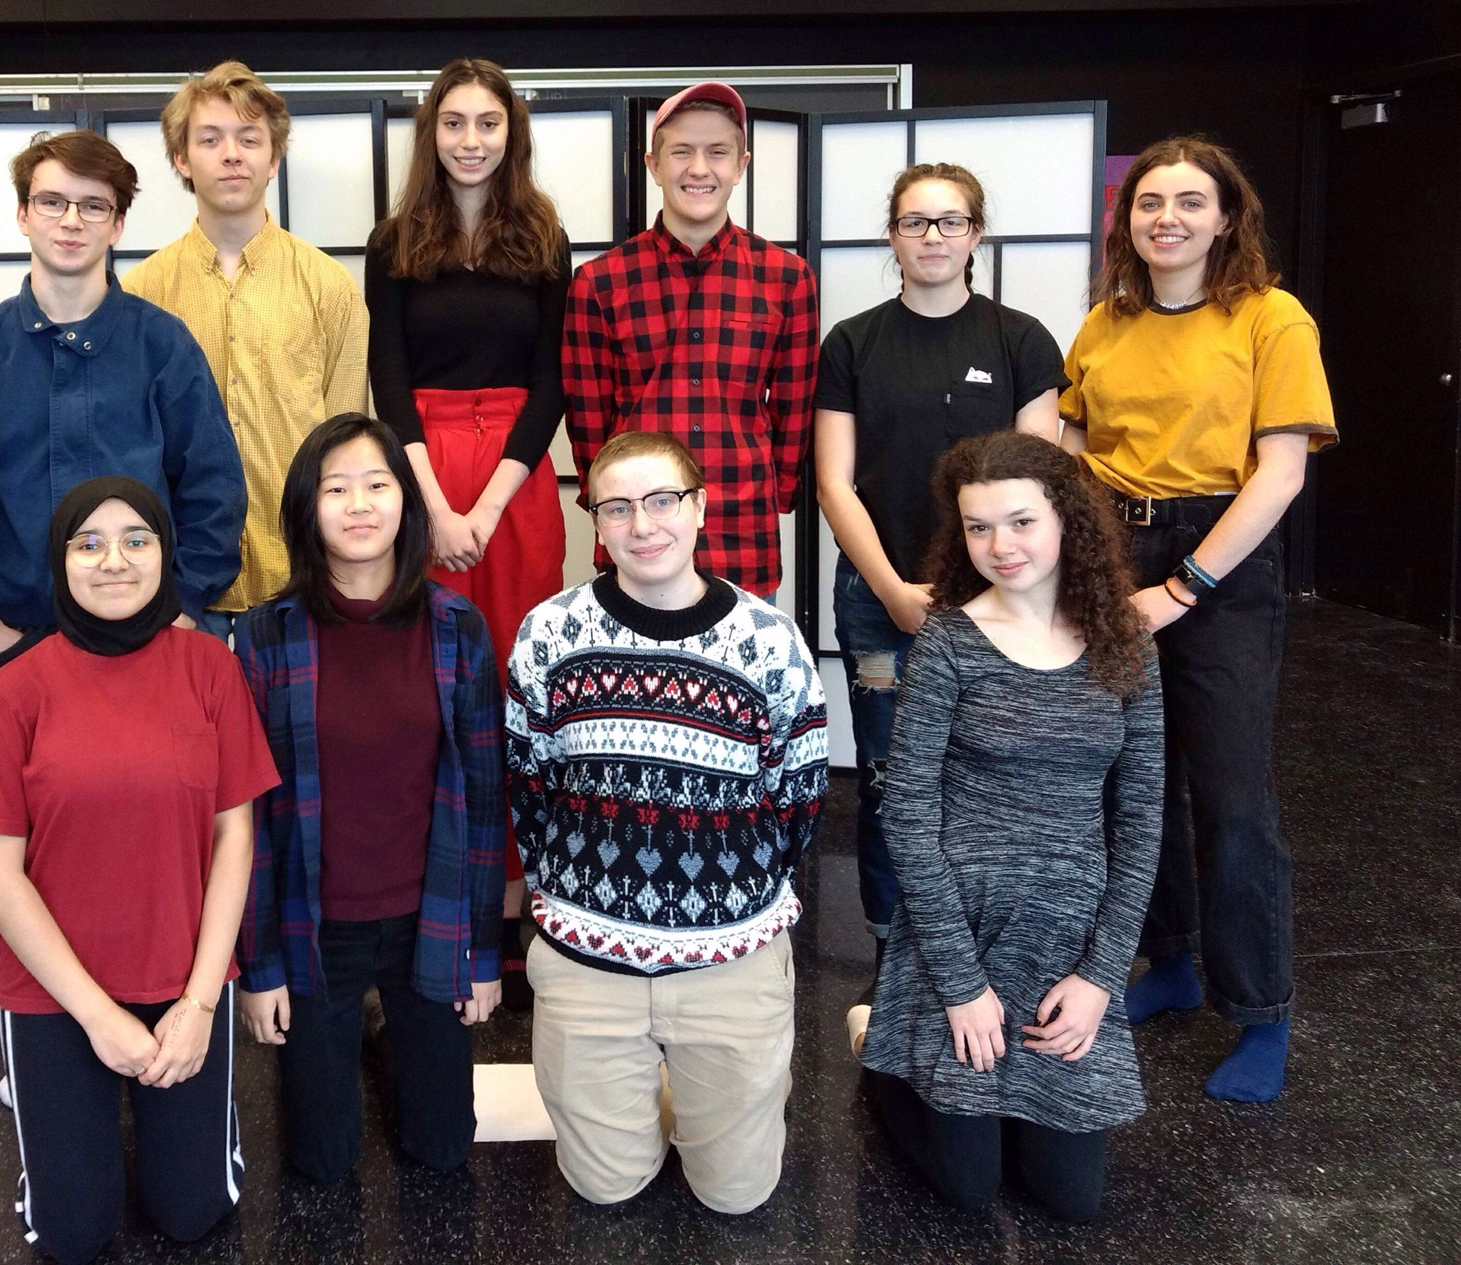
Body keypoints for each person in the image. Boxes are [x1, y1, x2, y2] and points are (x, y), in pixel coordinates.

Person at [1060, 136, 1336, 1103]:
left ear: (1227, 217)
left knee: (1231, 795)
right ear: (1126, 220)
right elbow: (1073, 442)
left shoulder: (1270, 316)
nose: (1166, 217)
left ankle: (1259, 1009)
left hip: (1221, 552)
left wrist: (1180, 589)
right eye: (1148, 202)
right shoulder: (1106, 320)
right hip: (1113, 544)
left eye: (1189, 201)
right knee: (1135, 782)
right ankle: (1169, 961)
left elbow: (1284, 470)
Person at [0, 477, 278, 1260]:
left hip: (182, 976)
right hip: (57, 993)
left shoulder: (210, 668)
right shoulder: (18, 689)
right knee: (71, 1234)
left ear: (165, 552)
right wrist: (99, 1016)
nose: (114, 560)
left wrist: (200, 1003)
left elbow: (236, 838)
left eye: (137, 538)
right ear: (60, 563)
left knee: (193, 1211)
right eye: (87, 543)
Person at [505, 429, 829, 1215]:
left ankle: (722, 1080)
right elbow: (528, 782)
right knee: (604, 1187)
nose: (642, 524)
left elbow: (800, 795)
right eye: (617, 506)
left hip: (731, 959)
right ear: (595, 521)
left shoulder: (768, 639)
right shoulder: (549, 633)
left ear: (700, 508)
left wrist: (727, 896)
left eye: (662, 500)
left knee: (737, 1196)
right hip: (589, 959)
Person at [859, 430, 1163, 1224]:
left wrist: (1102, 977)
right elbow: (910, 815)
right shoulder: (948, 641)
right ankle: (884, 1048)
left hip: (1066, 934)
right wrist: (960, 987)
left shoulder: (1126, 644)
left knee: (1070, 1197)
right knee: (969, 1185)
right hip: (959, 928)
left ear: (1066, 516)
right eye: (978, 526)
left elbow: (1139, 820)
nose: (1000, 545)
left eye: (1020, 521)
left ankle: (924, 1047)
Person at [814, 163, 1065, 1056]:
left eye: (949, 221)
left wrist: (984, 593)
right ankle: (897, 959)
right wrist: (888, 587)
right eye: (914, 222)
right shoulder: (853, 342)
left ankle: (997, 957)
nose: (931, 236)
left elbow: (1042, 487)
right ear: (891, 236)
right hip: (883, 598)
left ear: (975, 234)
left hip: (1003, 603)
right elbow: (834, 482)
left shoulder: (1021, 339)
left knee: (996, 780)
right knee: (892, 783)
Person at [233, 413, 506, 1183]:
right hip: (313, 927)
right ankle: (353, 1035)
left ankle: (391, 1040)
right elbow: (245, 818)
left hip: (431, 916)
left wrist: (481, 954)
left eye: (377, 484)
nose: (359, 504)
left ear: (407, 501)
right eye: (336, 487)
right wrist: (259, 966)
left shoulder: (458, 628)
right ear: (306, 508)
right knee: (320, 1163)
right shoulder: (264, 636)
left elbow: (485, 803)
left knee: (442, 1146)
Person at [364, 57, 569, 1004]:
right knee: (437, 690)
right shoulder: (395, 239)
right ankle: (445, 892)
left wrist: (486, 505)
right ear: (431, 133)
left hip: (518, 483)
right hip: (422, 469)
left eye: (488, 122)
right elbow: (389, 379)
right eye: (455, 122)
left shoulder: (544, 238)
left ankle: (520, 904)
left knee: (521, 682)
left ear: (510, 132)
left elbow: (553, 383)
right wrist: (436, 506)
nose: (472, 139)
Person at [0, 130, 244, 679]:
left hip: (154, 634)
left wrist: (180, 613)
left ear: (117, 224)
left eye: (93, 206)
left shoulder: (164, 344)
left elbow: (215, 490)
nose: (71, 221)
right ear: (22, 214)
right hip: (25, 636)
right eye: (52, 202)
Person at [126, 60, 369, 640]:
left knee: (296, 734)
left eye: (249, 138)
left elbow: (345, 443)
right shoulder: (142, 294)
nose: (231, 154)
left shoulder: (328, 286)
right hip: (177, 583)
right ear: (182, 159)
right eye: (210, 139)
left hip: (301, 575)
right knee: (186, 732)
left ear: (274, 158)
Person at [561, 82, 818, 598]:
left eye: (717, 153)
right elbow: (588, 423)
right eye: (681, 152)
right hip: (638, 535)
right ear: (653, 164)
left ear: (741, 165)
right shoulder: (599, 281)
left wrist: (772, 495)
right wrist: (610, 505)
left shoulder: (786, 279)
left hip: (742, 529)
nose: (699, 169)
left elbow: (795, 414)